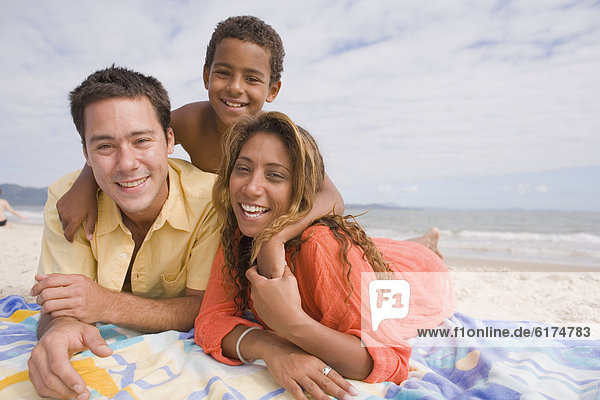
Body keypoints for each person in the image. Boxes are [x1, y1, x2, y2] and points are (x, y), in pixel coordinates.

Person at [55, 15, 440, 278]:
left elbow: (333, 198)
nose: (235, 87)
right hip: (231, 231)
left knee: (361, 258)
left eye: (252, 79)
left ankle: (419, 246)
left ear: (272, 90)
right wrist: (86, 182)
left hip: (275, 229)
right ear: (206, 75)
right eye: (224, 72)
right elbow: (131, 138)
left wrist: (280, 234)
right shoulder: (188, 120)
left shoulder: (275, 138)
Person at [195, 112, 455, 400]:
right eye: (243, 169)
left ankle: (425, 247)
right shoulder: (240, 233)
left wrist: (292, 323)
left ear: (300, 190)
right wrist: (270, 348)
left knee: (405, 260)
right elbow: (211, 319)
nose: (251, 187)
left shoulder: (321, 246)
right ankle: (421, 241)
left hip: (417, 279)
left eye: (275, 175)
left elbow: (392, 360)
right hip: (369, 261)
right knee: (378, 251)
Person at [28, 66, 221, 400]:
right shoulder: (66, 198)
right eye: (105, 146)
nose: (127, 163)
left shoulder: (212, 201)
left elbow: (204, 306)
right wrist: (60, 329)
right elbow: (62, 304)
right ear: (86, 154)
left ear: (170, 139)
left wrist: (105, 305)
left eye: (142, 140)